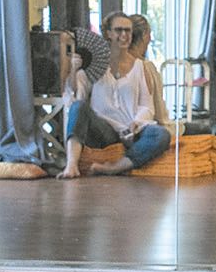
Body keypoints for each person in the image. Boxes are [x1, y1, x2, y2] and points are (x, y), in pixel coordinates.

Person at [62, 21, 168, 175]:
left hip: (132, 128)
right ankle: (71, 165)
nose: (123, 36)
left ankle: (116, 167)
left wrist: (137, 121)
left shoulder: (140, 66)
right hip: (105, 130)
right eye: (118, 31)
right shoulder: (95, 67)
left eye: (127, 31)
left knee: (161, 135)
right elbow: (75, 97)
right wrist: (73, 70)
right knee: (78, 106)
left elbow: (147, 106)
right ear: (108, 34)